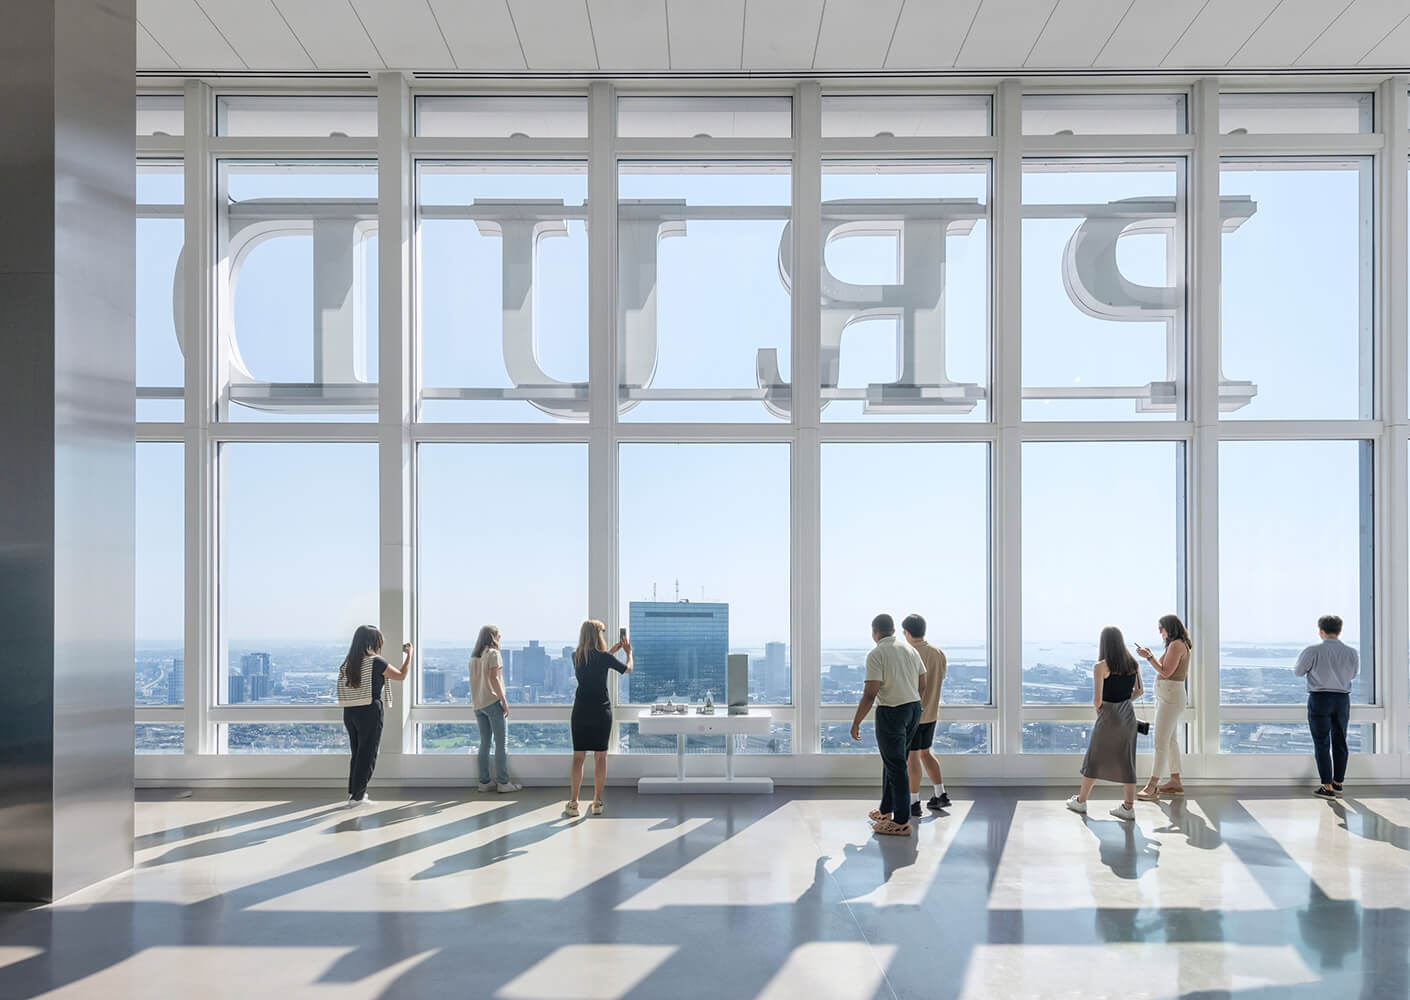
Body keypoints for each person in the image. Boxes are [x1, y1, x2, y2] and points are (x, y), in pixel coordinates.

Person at [852, 613, 926, 836]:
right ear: (893, 630)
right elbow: (923, 682)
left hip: (892, 712)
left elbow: (870, 693)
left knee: (896, 766)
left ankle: (901, 821)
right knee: (893, 761)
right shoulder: (909, 649)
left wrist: (856, 722)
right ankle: (886, 810)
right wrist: (912, 701)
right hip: (913, 708)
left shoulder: (876, 653)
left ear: (874, 632)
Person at [1067, 626, 1143, 821]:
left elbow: (1097, 700)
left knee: (1094, 759)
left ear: (1104, 643)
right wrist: (1125, 702)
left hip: (1108, 716)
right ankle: (1128, 807)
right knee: (1127, 761)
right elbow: (1140, 691)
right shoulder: (1133, 663)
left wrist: (1103, 710)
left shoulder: (1101, 666)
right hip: (1128, 716)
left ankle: (1081, 801)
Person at [338, 624, 411, 807]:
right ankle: (357, 798)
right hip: (370, 711)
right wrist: (410, 655)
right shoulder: (376, 662)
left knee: (357, 753)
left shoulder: (349, 663)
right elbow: (401, 676)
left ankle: (355, 793)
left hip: (350, 712)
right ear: (373, 642)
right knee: (368, 754)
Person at [566, 619, 632, 817]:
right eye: (602, 631)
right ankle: (596, 802)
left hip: (580, 711)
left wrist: (612, 652)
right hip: (601, 711)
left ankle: (573, 803)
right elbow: (627, 669)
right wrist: (628, 653)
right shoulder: (604, 657)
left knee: (578, 757)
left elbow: (593, 665)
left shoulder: (575, 656)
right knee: (600, 757)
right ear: (597, 635)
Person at [1295, 614, 1358, 798]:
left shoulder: (1312, 650)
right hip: (1342, 700)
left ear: (1321, 631)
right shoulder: (1351, 652)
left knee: (1322, 742)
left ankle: (1327, 786)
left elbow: (1299, 672)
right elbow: (1353, 675)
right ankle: (1338, 782)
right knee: (1340, 740)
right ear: (1340, 630)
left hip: (1320, 699)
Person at [1134, 614, 1191, 800]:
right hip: (1168, 697)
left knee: (1160, 742)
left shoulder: (1176, 645)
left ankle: (1152, 785)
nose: (1160, 632)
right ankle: (1175, 781)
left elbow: (1166, 672)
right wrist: (1151, 656)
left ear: (1170, 627)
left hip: (1171, 697)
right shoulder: (1176, 644)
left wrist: (1149, 657)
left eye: (1161, 628)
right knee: (1171, 740)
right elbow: (1164, 668)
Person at [901, 613, 950, 813]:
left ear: (907, 632)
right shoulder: (938, 653)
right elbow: (941, 678)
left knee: (912, 758)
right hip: (931, 713)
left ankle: (913, 802)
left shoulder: (907, 653)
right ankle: (941, 794)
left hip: (913, 714)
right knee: (926, 753)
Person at [469, 625, 521, 794]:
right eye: (499, 634)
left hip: (478, 704)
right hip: (491, 702)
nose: (500, 637)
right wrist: (503, 701)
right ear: (493, 637)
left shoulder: (474, 658)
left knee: (485, 743)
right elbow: (494, 678)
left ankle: (484, 782)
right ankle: (503, 782)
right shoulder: (493, 654)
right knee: (501, 743)